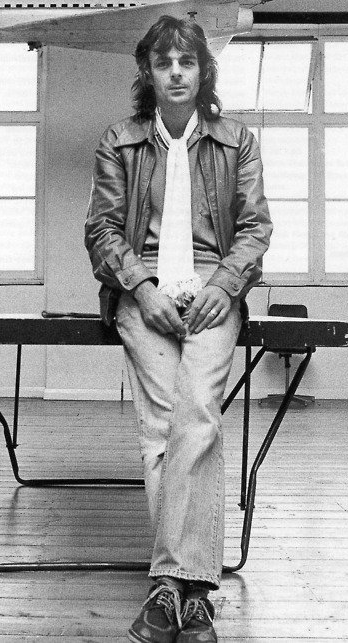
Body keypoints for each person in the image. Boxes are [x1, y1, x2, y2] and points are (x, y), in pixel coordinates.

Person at [85, 15, 272, 642]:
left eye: (186, 62)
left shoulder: (237, 140)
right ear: (148, 71)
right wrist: (140, 288)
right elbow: (102, 230)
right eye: (163, 63)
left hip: (215, 291)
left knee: (195, 415)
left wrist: (223, 286)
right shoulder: (120, 140)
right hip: (141, 291)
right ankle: (192, 595)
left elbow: (255, 227)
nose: (175, 73)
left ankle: (169, 587)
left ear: (202, 71)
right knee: (167, 427)